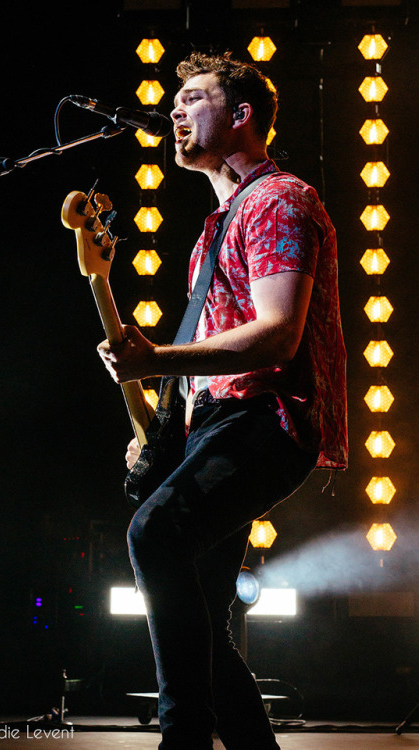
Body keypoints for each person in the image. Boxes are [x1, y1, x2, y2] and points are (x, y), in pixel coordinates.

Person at [98, 51, 347, 750]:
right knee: (204, 618)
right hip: (218, 422)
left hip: (262, 420)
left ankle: (182, 739)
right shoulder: (217, 225)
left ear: (241, 116)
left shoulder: (276, 199)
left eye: (193, 99)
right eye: (174, 102)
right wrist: (157, 428)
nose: (174, 111)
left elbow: (274, 337)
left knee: (155, 534)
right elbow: (207, 363)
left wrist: (154, 359)